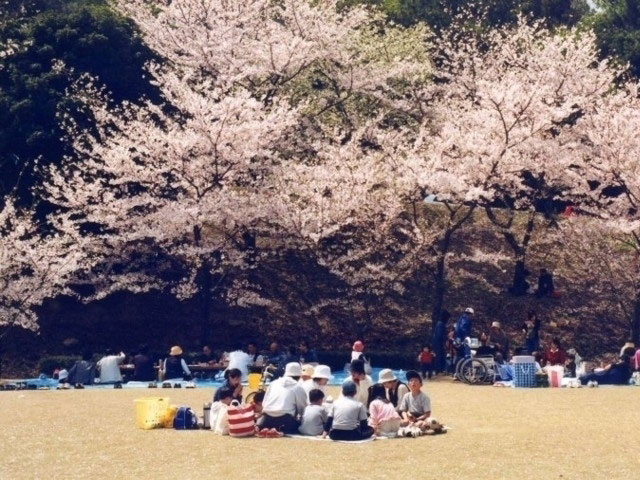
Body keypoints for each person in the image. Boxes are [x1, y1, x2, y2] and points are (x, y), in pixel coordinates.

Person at [259, 362, 308, 434]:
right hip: (285, 420)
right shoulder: (297, 387)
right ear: (299, 376)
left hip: (266, 420)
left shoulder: (273, 383)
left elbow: (264, 403)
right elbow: (303, 409)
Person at [432, 310, 450, 374]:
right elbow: (440, 335)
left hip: (437, 342)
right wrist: (444, 342)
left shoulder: (440, 324)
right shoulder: (441, 324)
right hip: (438, 343)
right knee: (439, 356)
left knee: (440, 356)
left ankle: (440, 369)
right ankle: (439, 370)